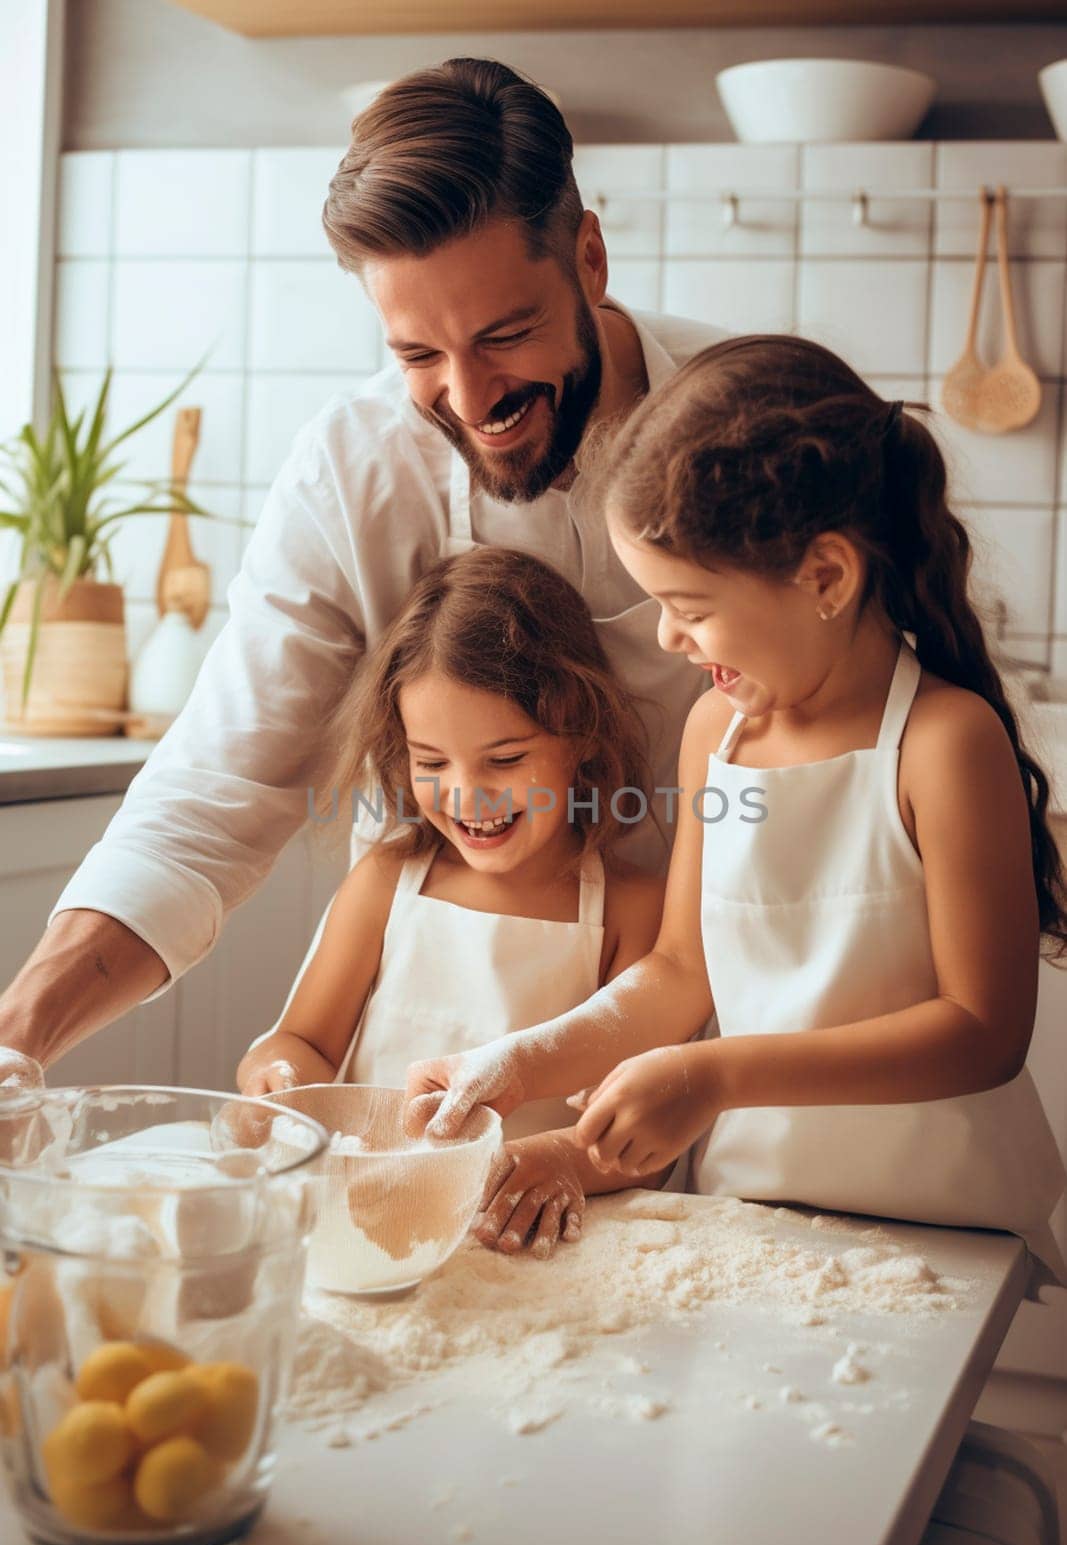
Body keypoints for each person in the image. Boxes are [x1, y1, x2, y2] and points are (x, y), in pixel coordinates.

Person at [0, 59, 720, 1084]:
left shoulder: (733, 421)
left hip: (730, 1037)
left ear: (589, 259)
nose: (470, 398)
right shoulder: (352, 469)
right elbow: (212, 792)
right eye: (416, 354)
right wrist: (17, 1037)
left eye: (505, 335)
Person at [405, 334, 1067, 1292]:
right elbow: (679, 972)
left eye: (690, 604)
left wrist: (714, 1076)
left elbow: (981, 1030)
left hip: (955, 1246)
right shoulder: (715, 730)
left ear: (826, 577)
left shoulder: (943, 743)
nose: (671, 638)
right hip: (754, 1228)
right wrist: (523, 1063)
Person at [236, 547, 667, 1256]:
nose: (466, 795)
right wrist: (276, 1083)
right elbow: (302, 1043)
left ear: (580, 738)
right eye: (431, 762)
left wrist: (554, 1165)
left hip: (532, 1238)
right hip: (375, 1219)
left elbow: (638, 1129)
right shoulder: (387, 881)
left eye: (504, 760)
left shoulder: (630, 908)